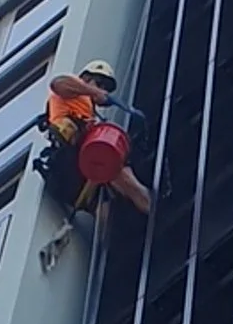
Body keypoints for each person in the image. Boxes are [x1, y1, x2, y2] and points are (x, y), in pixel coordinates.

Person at [38, 63, 152, 222]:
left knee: (106, 209)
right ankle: (150, 206)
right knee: (116, 165)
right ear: (85, 78)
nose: (103, 89)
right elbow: (57, 84)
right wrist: (93, 91)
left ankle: (119, 234)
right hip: (70, 158)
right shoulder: (71, 90)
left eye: (105, 87)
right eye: (99, 83)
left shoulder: (87, 108)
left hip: (79, 170)